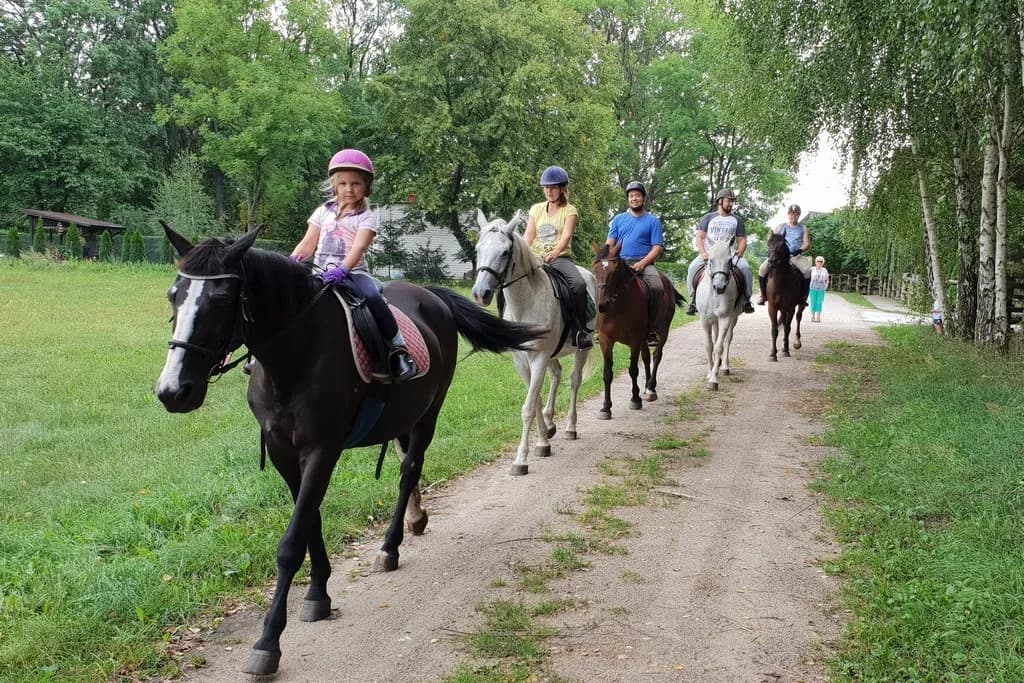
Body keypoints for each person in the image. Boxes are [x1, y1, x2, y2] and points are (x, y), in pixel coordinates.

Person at [291, 148, 418, 382]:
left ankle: (398, 349)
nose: (348, 189)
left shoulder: (366, 217)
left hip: (353, 273)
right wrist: (292, 262)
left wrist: (342, 270)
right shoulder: (322, 212)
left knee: (372, 297)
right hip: (320, 272)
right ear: (334, 186)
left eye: (355, 184)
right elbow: (307, 244)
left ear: (366, 186)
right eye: (343, 184)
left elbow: (358, 248)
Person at [523, 165, 592, 350]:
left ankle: (580, 331)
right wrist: (523, 253)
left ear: (562, 189)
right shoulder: (536, 209)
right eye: (546, 188)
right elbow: (529, 235)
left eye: (553, 187)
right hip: (535, 257)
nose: (549, 191)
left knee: (579, 285)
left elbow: (567, 236)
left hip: (560, 258)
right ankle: (505, 324)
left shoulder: (570, 210)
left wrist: (554, 252)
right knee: (507, 279)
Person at [606, 180, 666, 345]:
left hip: (644, 263)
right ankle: (603, 327)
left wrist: (643, 263)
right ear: (628, 199)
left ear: (643, 198)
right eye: (631, 196)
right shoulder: (618, 219)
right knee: (602, 284)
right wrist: (606, 257)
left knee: (657, 287)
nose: (634, 199)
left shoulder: (653, 221)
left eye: (637, 196)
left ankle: (652, 330)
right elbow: (610, 242)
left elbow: (656, 248)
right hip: (621, 263)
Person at [686, 188, 755, 315]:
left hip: (729, 254)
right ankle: (693, 300)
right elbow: (700, 237)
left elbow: (742, 240)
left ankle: (746, 300)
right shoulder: (708, 218)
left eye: (732, 202)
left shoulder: (737, 220)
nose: (730, 204)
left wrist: (740, 252)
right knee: (692, 267)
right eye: (728, 201)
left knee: (746, 268)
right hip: (710, 254)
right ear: (720, 201)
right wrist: (703, 253)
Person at [758, 203, 811, 306]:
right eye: (791, 214)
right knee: (762, 269)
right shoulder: (781, 226)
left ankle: (803, 297)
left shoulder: (803, 228)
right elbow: (772, 239)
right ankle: (763, 295)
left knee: (808, 271)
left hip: (795, 256)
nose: (793, 217)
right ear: (788, 215)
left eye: (796, 215)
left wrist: (799, 250)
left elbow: (806, 243)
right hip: (779, 256)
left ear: (799, 215)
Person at [808, 255, 829, 322]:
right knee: (813, 302)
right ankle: (813, 317)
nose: (819, 263)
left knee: (819, 302)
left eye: (821, 261)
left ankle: (818, 317)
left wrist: (825, 287)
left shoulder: (824, 270)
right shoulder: (812, 269)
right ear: (815, 262)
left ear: (823, 262)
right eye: (818, 261)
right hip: (812, 288)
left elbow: (827, 279)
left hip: (821, 288)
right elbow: (808, 278)